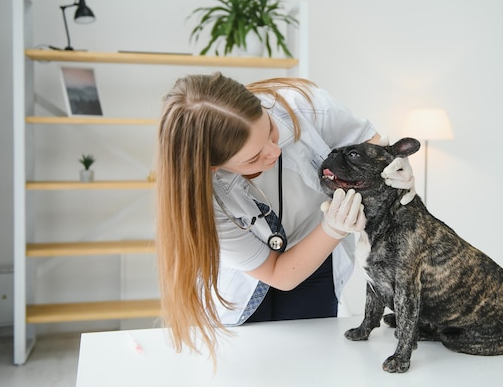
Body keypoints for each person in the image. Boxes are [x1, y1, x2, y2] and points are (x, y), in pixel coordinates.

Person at [155, 72, 415, 361]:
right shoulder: (200, 196)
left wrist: (395, 170)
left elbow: (373, 154)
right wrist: (333, 228)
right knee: (252, 361)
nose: (274, 151)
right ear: (214, 166)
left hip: (315, 253)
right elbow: (278, 274)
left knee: (308, 359)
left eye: (270, 130)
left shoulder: (305, 106)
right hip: (244, 279)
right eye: (253, 158)